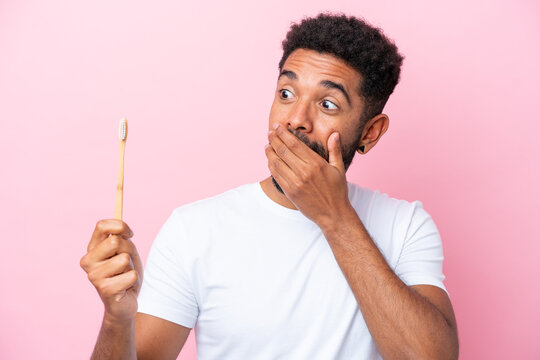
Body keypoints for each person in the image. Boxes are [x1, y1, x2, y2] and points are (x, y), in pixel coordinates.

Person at [80, 12, 459, 360]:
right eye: (286, 94)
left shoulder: (406, 225)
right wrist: (117, 318)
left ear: (370, 133)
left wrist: (335, 217)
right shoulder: (193, 229)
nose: (295, 120)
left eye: (327, 104)